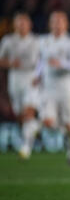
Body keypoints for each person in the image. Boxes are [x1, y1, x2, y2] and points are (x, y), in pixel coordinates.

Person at [35, 11, 70, 165]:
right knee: (48, 122)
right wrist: (36, 75)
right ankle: (66, 133)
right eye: (54, 21)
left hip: (66, 88)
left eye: (60, 21)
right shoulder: (42, 41)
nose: (57, 24)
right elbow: (41, 62)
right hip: (48, 88)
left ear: (66, 24)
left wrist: (62, 64)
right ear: (50, 24)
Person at [0, 12, 41, 160]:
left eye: (24, 23)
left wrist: (39, 75)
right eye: (19, 23)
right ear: (14, 25)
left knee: (28, 111)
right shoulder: (8, 41)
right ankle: (35, 127)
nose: (22, 25)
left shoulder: (37, 41)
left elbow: (42, 60)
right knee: (20, 116)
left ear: (30, 25)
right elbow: (1, 60)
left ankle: (26, 148)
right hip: (15, 80)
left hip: (31, 79)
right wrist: (10, 63)